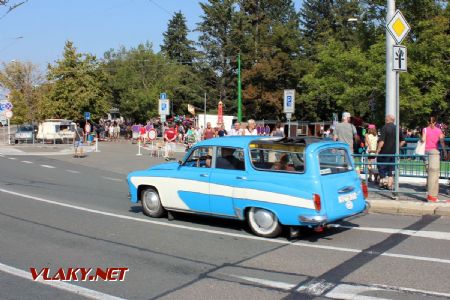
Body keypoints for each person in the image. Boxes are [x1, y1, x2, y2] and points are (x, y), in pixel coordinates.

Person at [376, 114, 405, 190]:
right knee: (391, 169)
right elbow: (403, 140)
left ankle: (383, 183)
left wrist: (378, 150)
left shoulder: (385, 127)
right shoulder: (397, 128)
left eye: (385, 118)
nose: (385, 119)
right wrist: (397, 148)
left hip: (384, 152)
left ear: (388, 119)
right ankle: (389, 185)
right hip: (393, 153)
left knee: (381, 167)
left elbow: (381, 141)